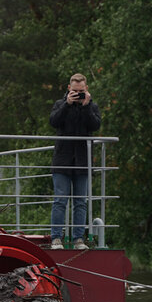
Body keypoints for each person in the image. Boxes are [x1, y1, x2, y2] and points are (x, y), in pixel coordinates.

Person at [49, 73, 101, 250]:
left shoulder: (92, 106)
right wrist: (67, 104)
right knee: (60, 200)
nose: (78, 94)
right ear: (69, 89)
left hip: (82, 161)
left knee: (80, 202)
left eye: (81, 91)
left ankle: (79, 239)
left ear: (86, 89)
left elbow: (95, 126)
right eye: (75, 91)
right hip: (62, 160)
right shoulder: (60, 104)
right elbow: (54, 121)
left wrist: (86, 107)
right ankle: (56, 238)